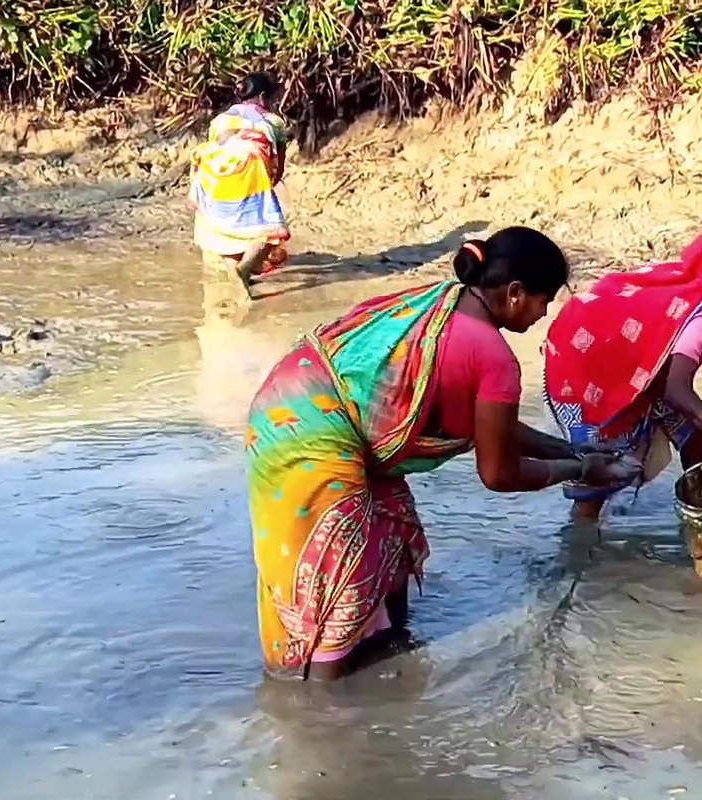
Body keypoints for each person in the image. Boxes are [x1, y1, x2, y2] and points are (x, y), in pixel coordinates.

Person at [245, 226, 637, 680]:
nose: (543, 313)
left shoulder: (443, 303)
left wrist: (573, 448)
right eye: (544, 300)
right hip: (307, 435)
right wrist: (581, 467)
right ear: (514, 293)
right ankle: (324, 717)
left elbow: (495, 428)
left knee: (390, 533)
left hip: (294, 397)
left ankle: (391, 658)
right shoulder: (494, 358)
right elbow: (499, 473)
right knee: (339, 582)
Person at [542, 225, 702, 522]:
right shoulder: (698, 319)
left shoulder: (691, 287)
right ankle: (578, 549)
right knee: (599, 471)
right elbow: (677, 391)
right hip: (589, 373)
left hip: (635, 367)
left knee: (694, 432)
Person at [189, 72, 292, 313]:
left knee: (224, 232)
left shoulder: (221, 120)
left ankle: (239, 281)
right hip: (249, 173)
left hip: (213, 178)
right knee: (271, 230)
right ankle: (244, 270)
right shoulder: (273, 121)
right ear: (264, 96)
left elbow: (217, 150)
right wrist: (265, 187)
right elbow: (278, 163)